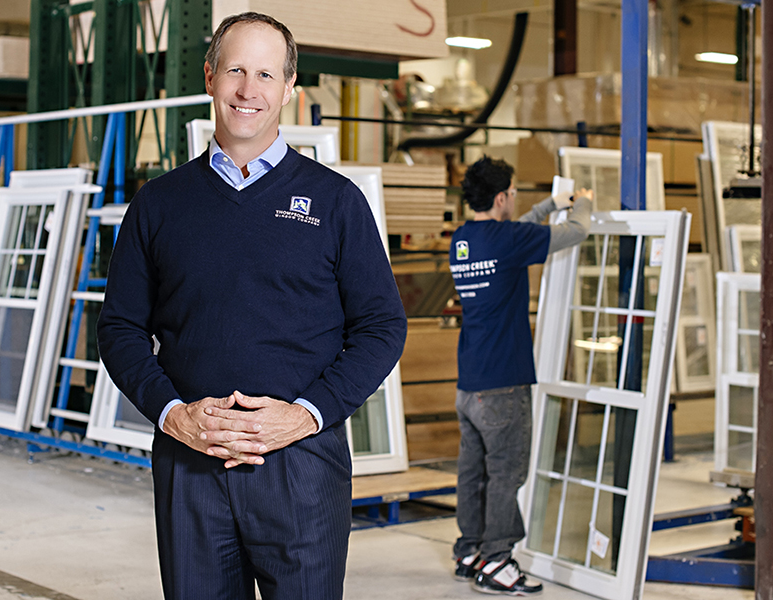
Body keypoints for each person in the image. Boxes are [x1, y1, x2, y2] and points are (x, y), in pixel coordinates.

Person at [97, 12, 407, 600]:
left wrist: (306, 413)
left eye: (266, 74)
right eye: (235, 70)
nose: (248, 90)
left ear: (290, 87)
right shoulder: (158, 205)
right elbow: (119, 330)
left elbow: (382, 326)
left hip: (301, 461)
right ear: (210, 76)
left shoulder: (336, 202)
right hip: (191, 460)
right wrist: (173, 414)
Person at [448, 156, 592, 596]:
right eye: (511, 193)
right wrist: (583, 203)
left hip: (469, 384)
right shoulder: (507, 240)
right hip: (504, 384)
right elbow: (576, 232)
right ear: (500, 198)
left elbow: (518, 232)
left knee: (473, 473)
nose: (514, 200)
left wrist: (550, 203)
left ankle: (470, 550)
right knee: (507, 475)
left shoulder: (463, 240)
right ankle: (498, 562)